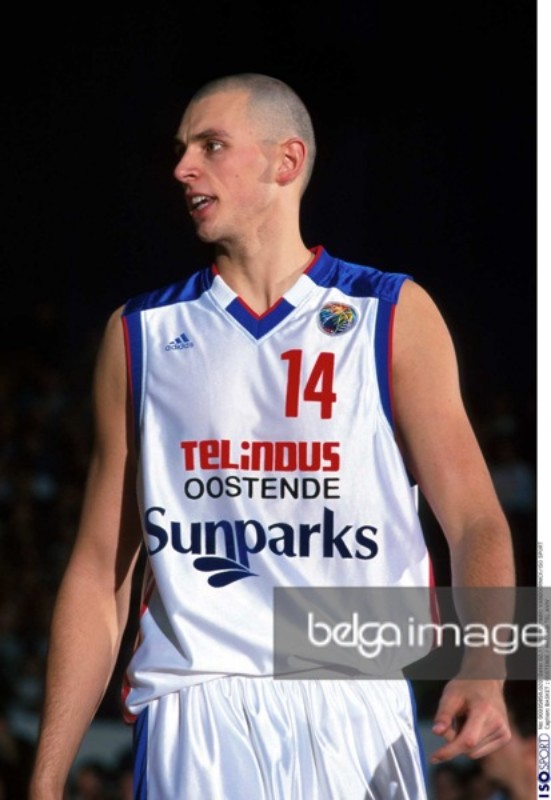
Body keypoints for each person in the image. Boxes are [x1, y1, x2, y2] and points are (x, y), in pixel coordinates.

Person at [29, 73, 515, 799]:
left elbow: (475, 520)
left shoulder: (390, 312)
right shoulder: (140, 334)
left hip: (357, 690)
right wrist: (44, 781)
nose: (182, 168)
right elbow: (101, 573)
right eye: (180, 149)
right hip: (199, 698)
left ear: (286, 162)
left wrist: (485, 665)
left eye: (210, 145)